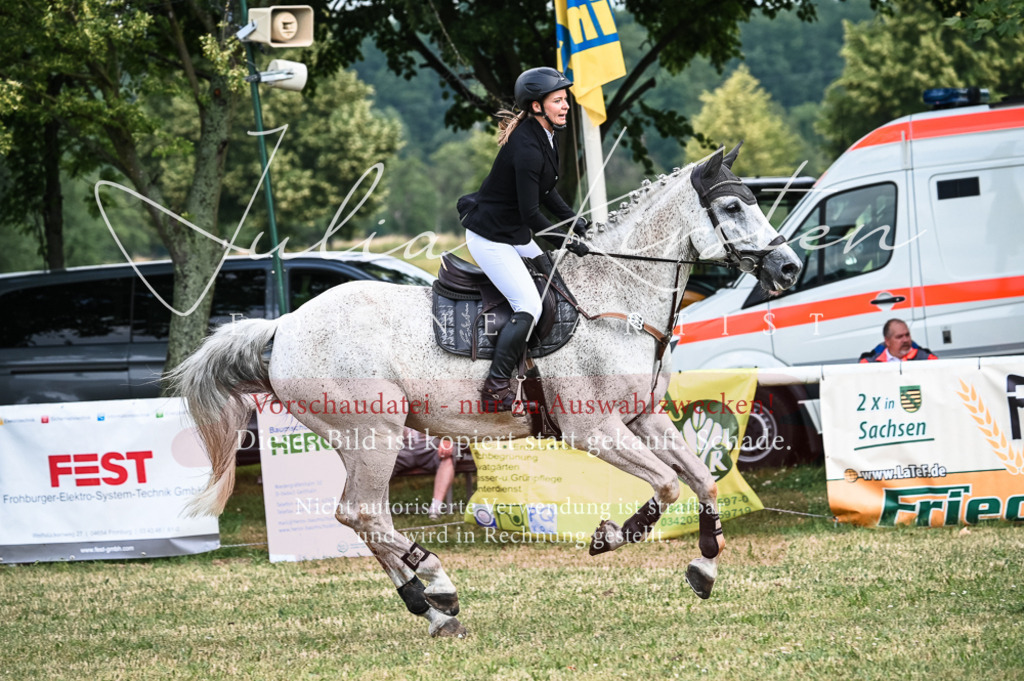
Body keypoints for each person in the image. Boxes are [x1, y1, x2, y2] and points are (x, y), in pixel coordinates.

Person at [457, 67, 591, 411]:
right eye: (558, 100)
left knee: (555, 286)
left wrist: (575, 222)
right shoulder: (527, 147)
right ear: (536, 106)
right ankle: (495, 388)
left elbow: (547, 191)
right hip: (491, 239)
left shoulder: (546, 135)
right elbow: (532, 213)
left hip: (513, 234)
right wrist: (566, 241)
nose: (566, 106)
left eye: (565, 99)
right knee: (529, 304)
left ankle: (536, 363)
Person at [391, 428, 466, 519]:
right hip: (399, 448)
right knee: (380, 462)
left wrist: (447, 438)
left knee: (448, 452)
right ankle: (377, 509)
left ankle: (435, 508)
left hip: (431, 445)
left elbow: (448, 422)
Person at [859, 318, 938, 362]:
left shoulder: (927, 359)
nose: (905, 340)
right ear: (887, 341)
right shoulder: (869, 364)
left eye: (907, 335)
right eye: (899, 337)